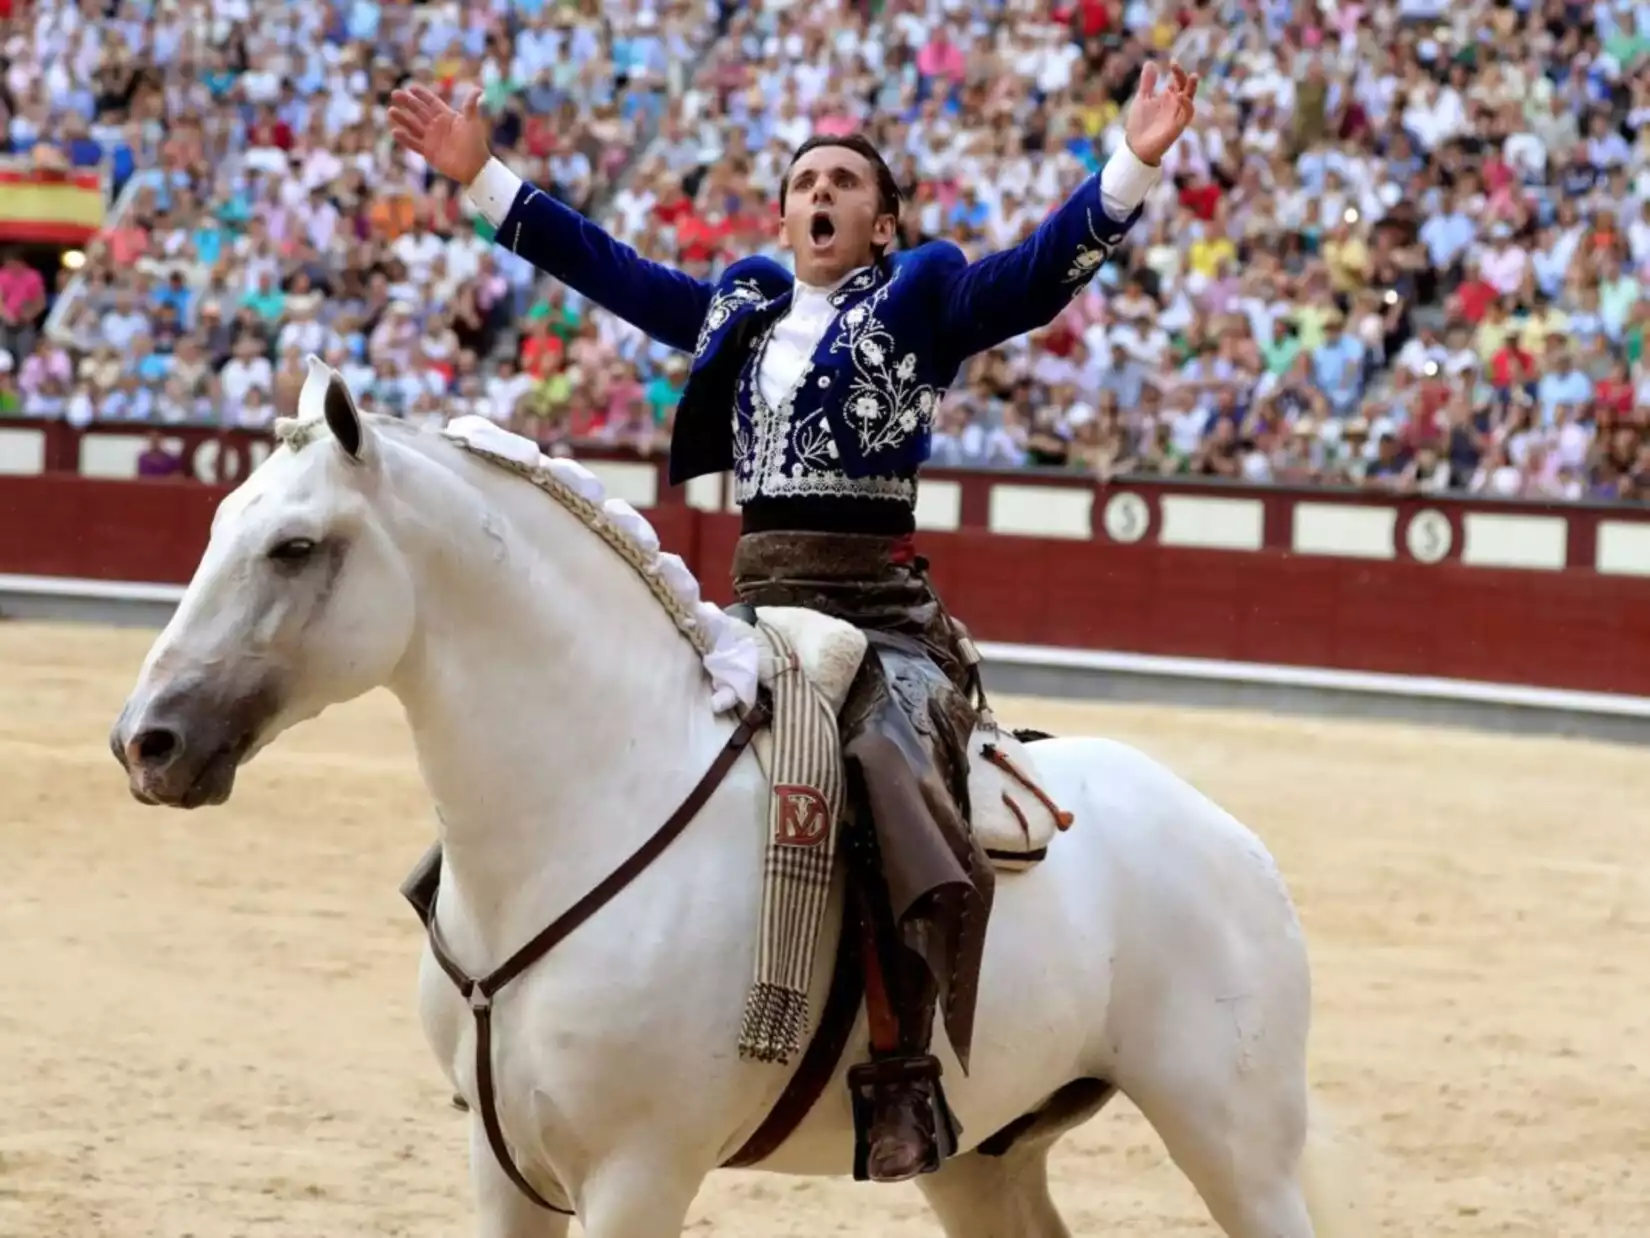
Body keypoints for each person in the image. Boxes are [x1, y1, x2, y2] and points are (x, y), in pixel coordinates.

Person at [388, 64, 1197, 1184]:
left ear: (882, 219)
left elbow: (1030, 281)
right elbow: (618, 274)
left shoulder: (922, 292)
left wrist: (1134, 164)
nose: (819, 193)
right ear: (783, 213)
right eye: (804, 179)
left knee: (890, 766)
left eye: (844, 181)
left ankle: (903, 1061)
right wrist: (484, 181)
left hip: (877, 611)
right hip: (753, 606)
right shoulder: (746, 302)